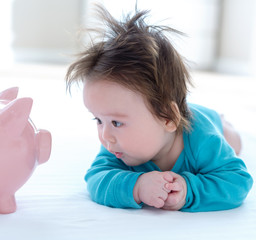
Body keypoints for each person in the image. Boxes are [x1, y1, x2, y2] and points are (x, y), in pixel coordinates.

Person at [65, 5, 253, 212]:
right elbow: (96, 178)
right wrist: (136, 187)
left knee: (233, 142)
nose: (105, 135)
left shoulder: (203, 139)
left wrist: (189, 191)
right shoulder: (116, 146)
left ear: (167, 118)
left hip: (206, 121)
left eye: (116, 122)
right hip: (175, 109)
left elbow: (237, 181)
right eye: (98, 120)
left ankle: (223, 120)